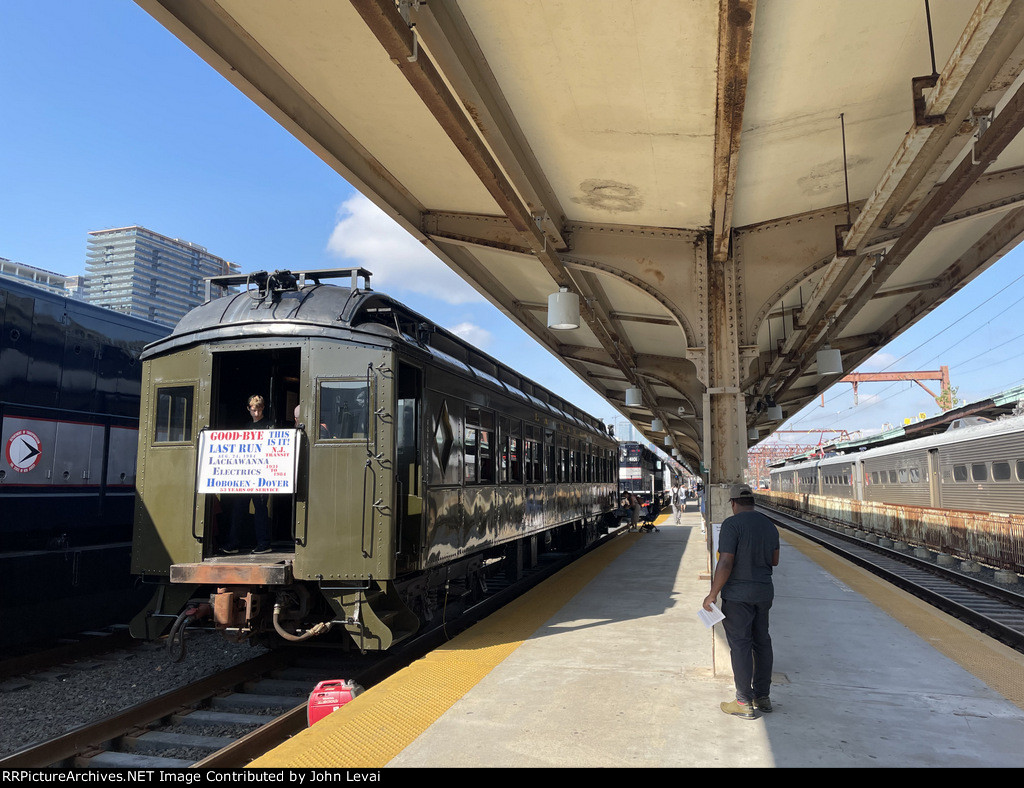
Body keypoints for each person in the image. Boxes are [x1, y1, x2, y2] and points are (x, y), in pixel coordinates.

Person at [702, 483, 780, 719]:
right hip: (764, 591)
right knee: (762, 641)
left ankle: (743, 700)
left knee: (741, 644)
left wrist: (712, 593)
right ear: (752, 501)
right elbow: (774, 560)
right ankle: (763, 696)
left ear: (733, 503)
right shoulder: (769, 525)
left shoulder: (732, 524)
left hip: (738, 595)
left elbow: (725, 562)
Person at [220, 394, 274, 555]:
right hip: (247, 475)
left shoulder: (270, 426)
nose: (256, 413)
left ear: (262, 408)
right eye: (253, 410)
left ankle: (263, 543)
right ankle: (234, 542)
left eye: (258, 410)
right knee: (239, 508)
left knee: (260, 508)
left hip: (262, 475)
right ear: (248, 409)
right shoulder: (248, 426)